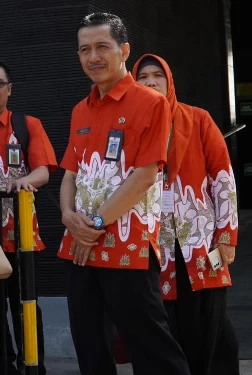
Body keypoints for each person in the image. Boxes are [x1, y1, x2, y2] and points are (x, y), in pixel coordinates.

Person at [57, 12, 191, 375]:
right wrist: (69, 217)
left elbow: (146, 175)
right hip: (80, 246)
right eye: (84, 49)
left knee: (150, 342)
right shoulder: (79, 109)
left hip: (127, 246)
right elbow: (70, 173)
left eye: (102, 46)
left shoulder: (150, 103)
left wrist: (96, 223)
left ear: (124, 50)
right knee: (89, 342)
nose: (93, 57)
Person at [131, 53, 239, 375]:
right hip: (153, 248)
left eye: (157, 76)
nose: (150, 82)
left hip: (200, 243)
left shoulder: (198, 119)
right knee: (164, 333)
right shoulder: (132, 127)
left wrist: (227, 237)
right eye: (143, 77)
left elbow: (223, 180)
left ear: (169, 80)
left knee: (212, 327)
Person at [0, 57, 57, 375]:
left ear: (9, 89)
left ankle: (33, 366)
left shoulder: (26, 125)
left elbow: (44, 171)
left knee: (25, 305)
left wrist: (25, 181)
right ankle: (1, 367)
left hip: (20, 236)